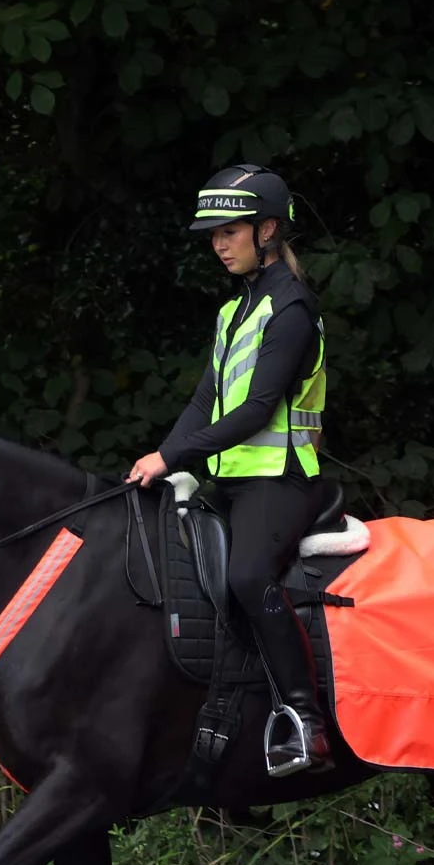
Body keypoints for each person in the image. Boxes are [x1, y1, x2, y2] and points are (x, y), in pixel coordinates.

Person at [127, 163, 331, 776]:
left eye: (229, 231)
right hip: (230, 481)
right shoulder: (232, 313)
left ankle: (304, 719)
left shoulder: (292, 309)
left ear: (267, 230)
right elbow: (202, 402)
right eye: (212, 234)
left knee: (247, 578)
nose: (217, 243)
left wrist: (174, 456)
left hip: (283, 482)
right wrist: (156, 461)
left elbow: (257, 409)